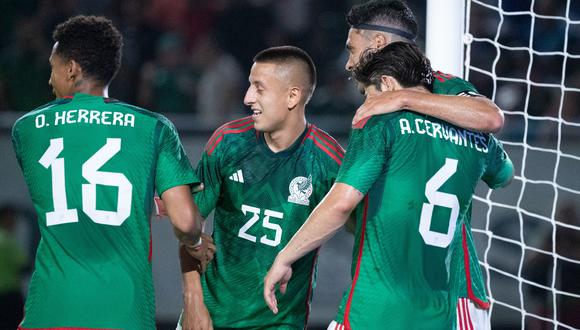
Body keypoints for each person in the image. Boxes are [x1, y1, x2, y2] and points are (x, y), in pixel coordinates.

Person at [264, 42, 514, 329]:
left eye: (367, 94)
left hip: (375, 310)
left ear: (387, 83)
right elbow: (505, 175)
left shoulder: (381, 122)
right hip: (439, 314)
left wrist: (285, 257)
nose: (366, 103)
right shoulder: (479, 138)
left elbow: (342, 203)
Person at [11, 15, 203, 329]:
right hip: (124, 313)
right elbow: (185, 223)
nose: (49, 79)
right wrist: (193, 240)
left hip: (51, 311)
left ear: (71, 68)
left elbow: (71, 191)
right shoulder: (152, 127)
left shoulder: (27, 130)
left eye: (53, 67)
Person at [177, 46, 344, 330]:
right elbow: (190, 228)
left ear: (293, 96)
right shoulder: (228, 142)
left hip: (281, 323)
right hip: (209, 319)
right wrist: (193, 301)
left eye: (259, 88)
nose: (247, 98)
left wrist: (344, 314)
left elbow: (366, 239)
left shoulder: (329, 162)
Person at [344, 0, 505, 134]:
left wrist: (402, 98)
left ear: (378, 42)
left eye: (352, 50)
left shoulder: (441, 83)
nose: (349, 64)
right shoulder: (372, 92)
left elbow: (492, 118)